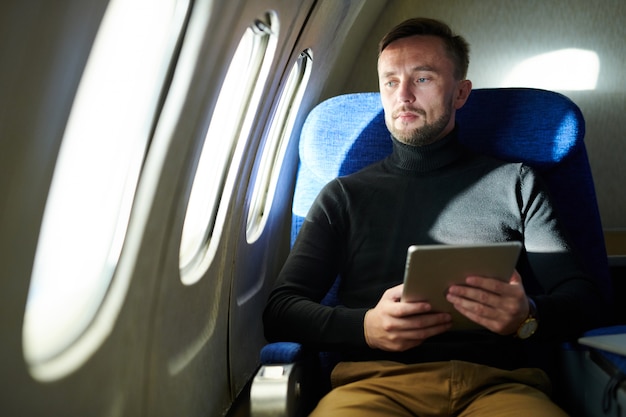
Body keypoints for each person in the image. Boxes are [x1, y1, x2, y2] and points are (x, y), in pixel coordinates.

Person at [263, 17, 606, 416]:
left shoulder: (516, 183)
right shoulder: (344, 195)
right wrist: (366, 327)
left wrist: (527, 314)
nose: (403, 95)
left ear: (460, 93)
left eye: (422, 79)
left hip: (500, 387)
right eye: (390, 81)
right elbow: (280, 310)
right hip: (374, 387)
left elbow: (586, 299)